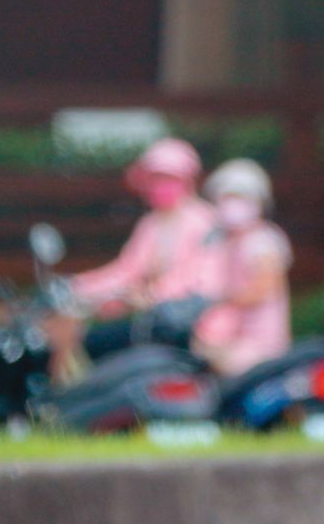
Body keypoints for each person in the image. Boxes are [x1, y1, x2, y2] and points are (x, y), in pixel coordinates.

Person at [46, 137, 218, 378]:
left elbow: (197, 277)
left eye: (169, 178)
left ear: (187, 179)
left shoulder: (203, 221)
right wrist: (80, 285)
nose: (161, 185)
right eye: (156, 178)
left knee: (99, 345)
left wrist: (150, 294)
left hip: (190, 324)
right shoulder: (152, 223)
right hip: (156, 318)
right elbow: (127, 269)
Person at [191, 159, 293, 378]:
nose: (232, 205)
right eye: (227, 197)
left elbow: (264, 288)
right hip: (234, 337)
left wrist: (216, 301)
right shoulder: (228, 241)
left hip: (262, 345)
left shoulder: (263, 239)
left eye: (240, 197)